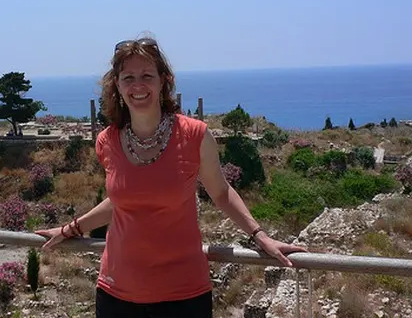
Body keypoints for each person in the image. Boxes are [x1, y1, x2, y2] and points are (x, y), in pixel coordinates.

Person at [36, 36, 307, 318]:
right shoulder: (107, 141)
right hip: (116, 294)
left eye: (147, 76)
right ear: (117, 84)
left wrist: (260, 236)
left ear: (163, 80)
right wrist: (69, 230)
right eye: (128, 77)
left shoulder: (194, 135)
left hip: (183, 296)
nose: (137, 86)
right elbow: (123, 201)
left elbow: (221, 193)